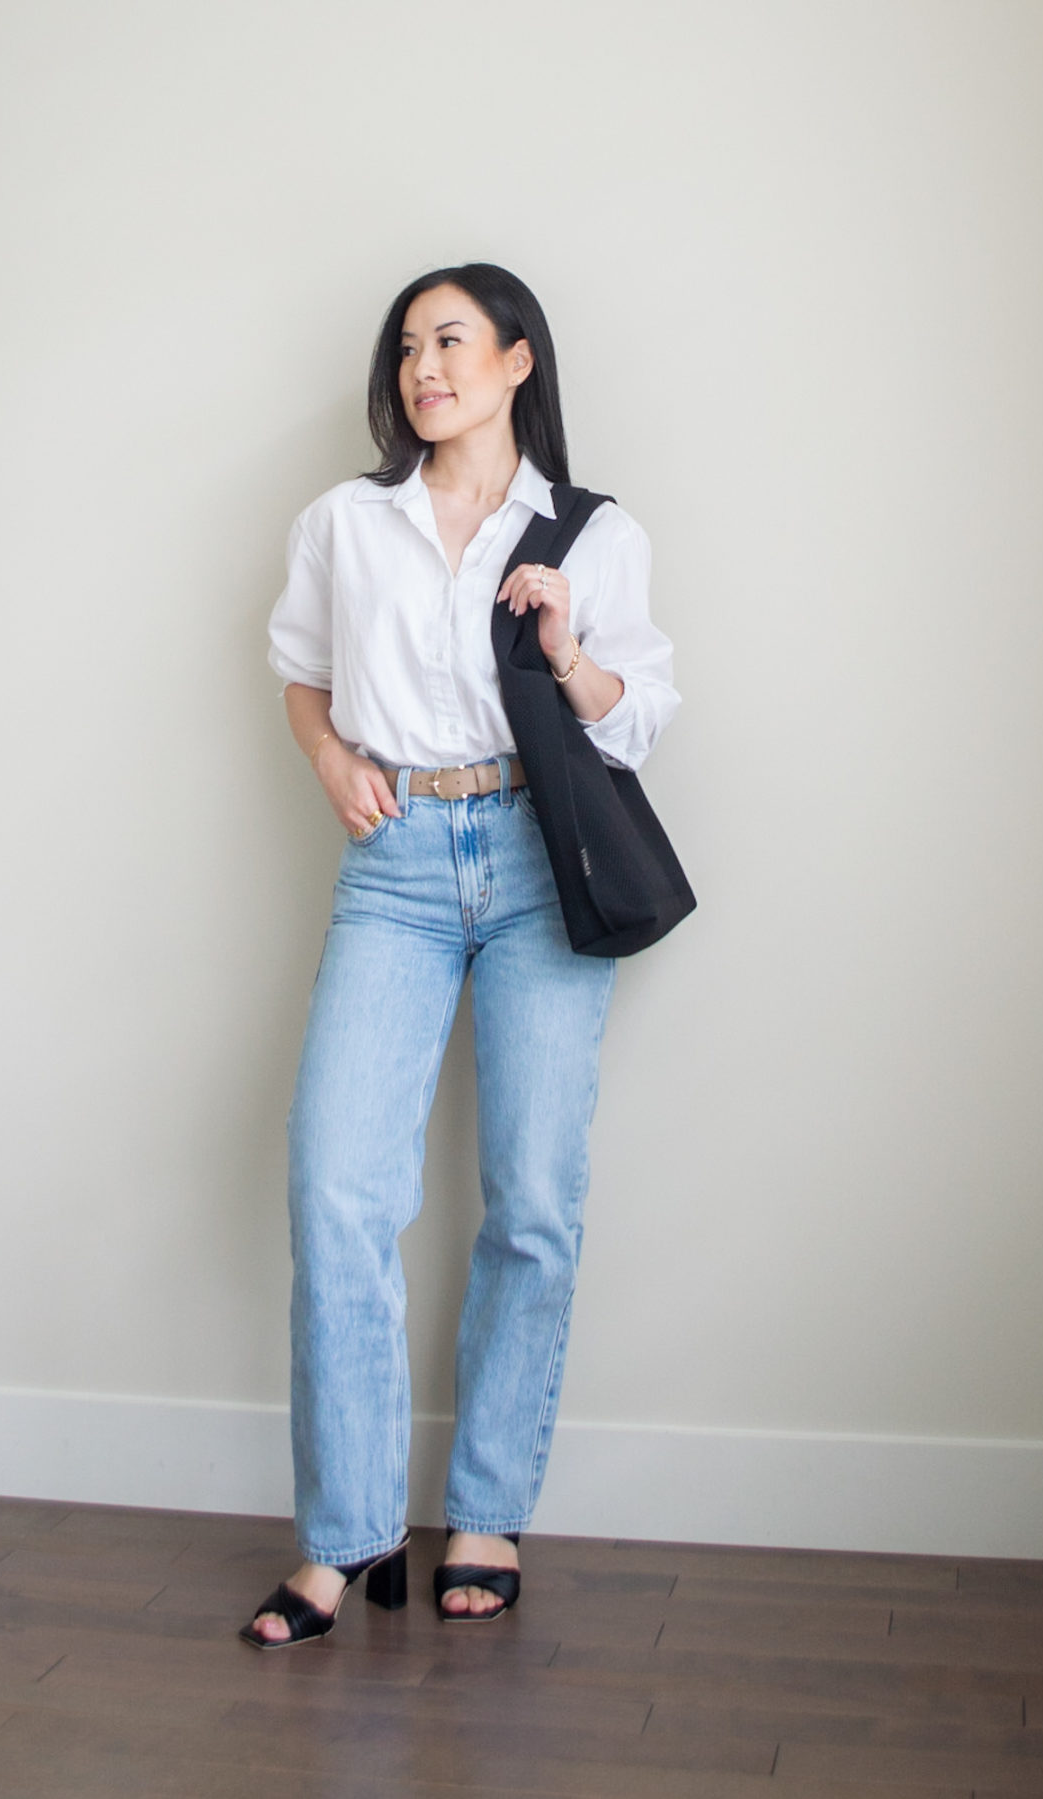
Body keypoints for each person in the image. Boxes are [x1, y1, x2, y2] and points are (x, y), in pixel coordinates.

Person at [240, 263, 679, 1648]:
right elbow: (301, 669)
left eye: (451, 341)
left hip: (544, 865)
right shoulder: (344, 524)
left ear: (517, 360)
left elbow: (638, 709)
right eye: (408, 349)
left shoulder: (591, 531)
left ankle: (484, 1512)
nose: (425, 368)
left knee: (532, 1198)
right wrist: (325, 761)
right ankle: (345, 1537)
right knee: (336, 1186)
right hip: (398, 868)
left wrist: (565, 647)